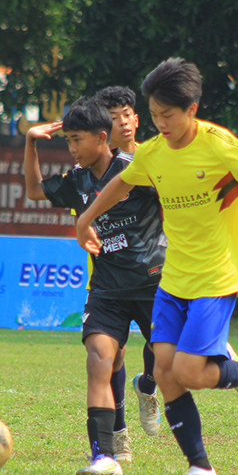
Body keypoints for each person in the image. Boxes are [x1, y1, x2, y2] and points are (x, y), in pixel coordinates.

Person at [75, 57, 238, 475]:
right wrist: (87, 219)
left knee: (190, 370)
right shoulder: (153, 153)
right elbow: (123, 183)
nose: (160, 125)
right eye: (154, 116)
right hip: (175, 276)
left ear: (191, 110)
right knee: (164, 372)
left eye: (167, 116)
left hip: (219, 272)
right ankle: (201, 470)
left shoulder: (218, 145)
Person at [24, 97, 166, 475]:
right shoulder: (77, 181)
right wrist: (30, 142)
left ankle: (151, 386)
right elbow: (35, 191)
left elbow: (174, 202)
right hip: (106, 291)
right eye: (67, 140)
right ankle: (104, 455)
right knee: (99, 361)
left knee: (169, 368)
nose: (71, 149)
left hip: (154, 285)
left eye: (76, 140)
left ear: (102, 137)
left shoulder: (136, 172)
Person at [93, 85, 161, 448]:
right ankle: (117, 430)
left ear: (137, 118)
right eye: (114, 117)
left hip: (154, 273)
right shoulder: (92, 167)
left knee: (164, 348)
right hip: (110, 280)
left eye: (127, 115)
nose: (123, 123)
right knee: (111, 353)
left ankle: (147, 385)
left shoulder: (154, 158)